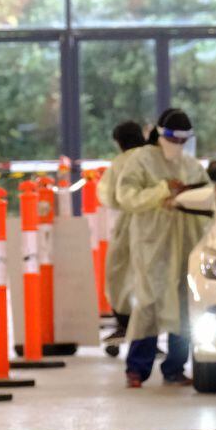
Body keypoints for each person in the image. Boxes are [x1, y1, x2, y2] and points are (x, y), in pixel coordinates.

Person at [116, 108, 213, 388]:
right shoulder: (141, 160)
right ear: (160, 134)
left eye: (183, 141)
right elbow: (126, 196)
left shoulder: (191, 165)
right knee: (148, 304)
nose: (177, 145)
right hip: (152, 246)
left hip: (184, 244)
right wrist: (161, 191)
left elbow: (208, 195)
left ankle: (175, 367)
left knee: (183, 306)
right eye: (173, 139)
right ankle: (137, 369)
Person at [99, 120, 147, 344]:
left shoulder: (122, 162)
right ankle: (148, 334)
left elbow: (108, 195)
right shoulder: (155, 158)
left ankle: (126, 323)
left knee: (119, 273)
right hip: (160, 223)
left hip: (130, 223)